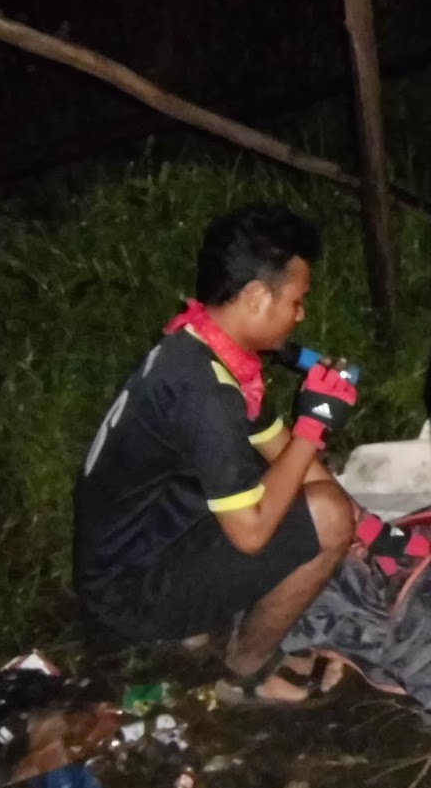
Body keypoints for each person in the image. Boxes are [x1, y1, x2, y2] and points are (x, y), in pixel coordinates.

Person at [73, 203, 360, 706]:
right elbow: (251, 534)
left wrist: (364, 523)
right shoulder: (206, 394)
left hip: (144, 547)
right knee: (328, 517)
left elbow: (281, 449)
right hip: (128, 595)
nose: (301, 315)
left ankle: (206, 619)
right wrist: (314, 427)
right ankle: (244, 675)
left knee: (323, 494)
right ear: (256, 297)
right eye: (296, 301)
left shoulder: (205, 345)